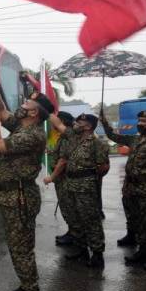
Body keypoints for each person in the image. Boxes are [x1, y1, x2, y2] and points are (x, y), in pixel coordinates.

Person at [0, 74, 53, 291]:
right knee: (17, 246)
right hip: (12, 196)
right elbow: (1, 110)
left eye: (28, 104)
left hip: (20, 197)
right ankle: (25, 289)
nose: (23, 104)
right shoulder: (22, 125)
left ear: (34, 114)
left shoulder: (32, 134)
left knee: (21, 247)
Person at [101, 109, 146, 268]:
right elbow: (114, 137)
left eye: (144, 121)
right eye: (139, 120)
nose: (139, 124)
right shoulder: (136, 140)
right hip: (133, 188)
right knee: (137, 221)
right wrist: (104, 123)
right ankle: (143, 250)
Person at [49, 113, 110, 268]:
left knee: (91, 220)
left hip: (86, 186)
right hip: (70, 184)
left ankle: (97, 255)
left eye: (79, 121)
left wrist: (90, 177)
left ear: (88, 126)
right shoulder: (73, 138)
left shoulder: (98, 143)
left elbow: (103, 167)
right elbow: (57, 123)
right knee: (75, 219)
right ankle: (82, 250)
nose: (75, 123)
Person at [43, 111, 78, 247]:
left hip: (64, 179)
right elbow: (60, 154)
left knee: (68, 207)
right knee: (66, 206)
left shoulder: (66, 138)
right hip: (62, 179)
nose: (51, 125)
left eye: (54, 123)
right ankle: (72, 232)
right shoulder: (63, 137)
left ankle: (74, 235)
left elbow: (63, 160)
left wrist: (51, 177)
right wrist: (49, 151)